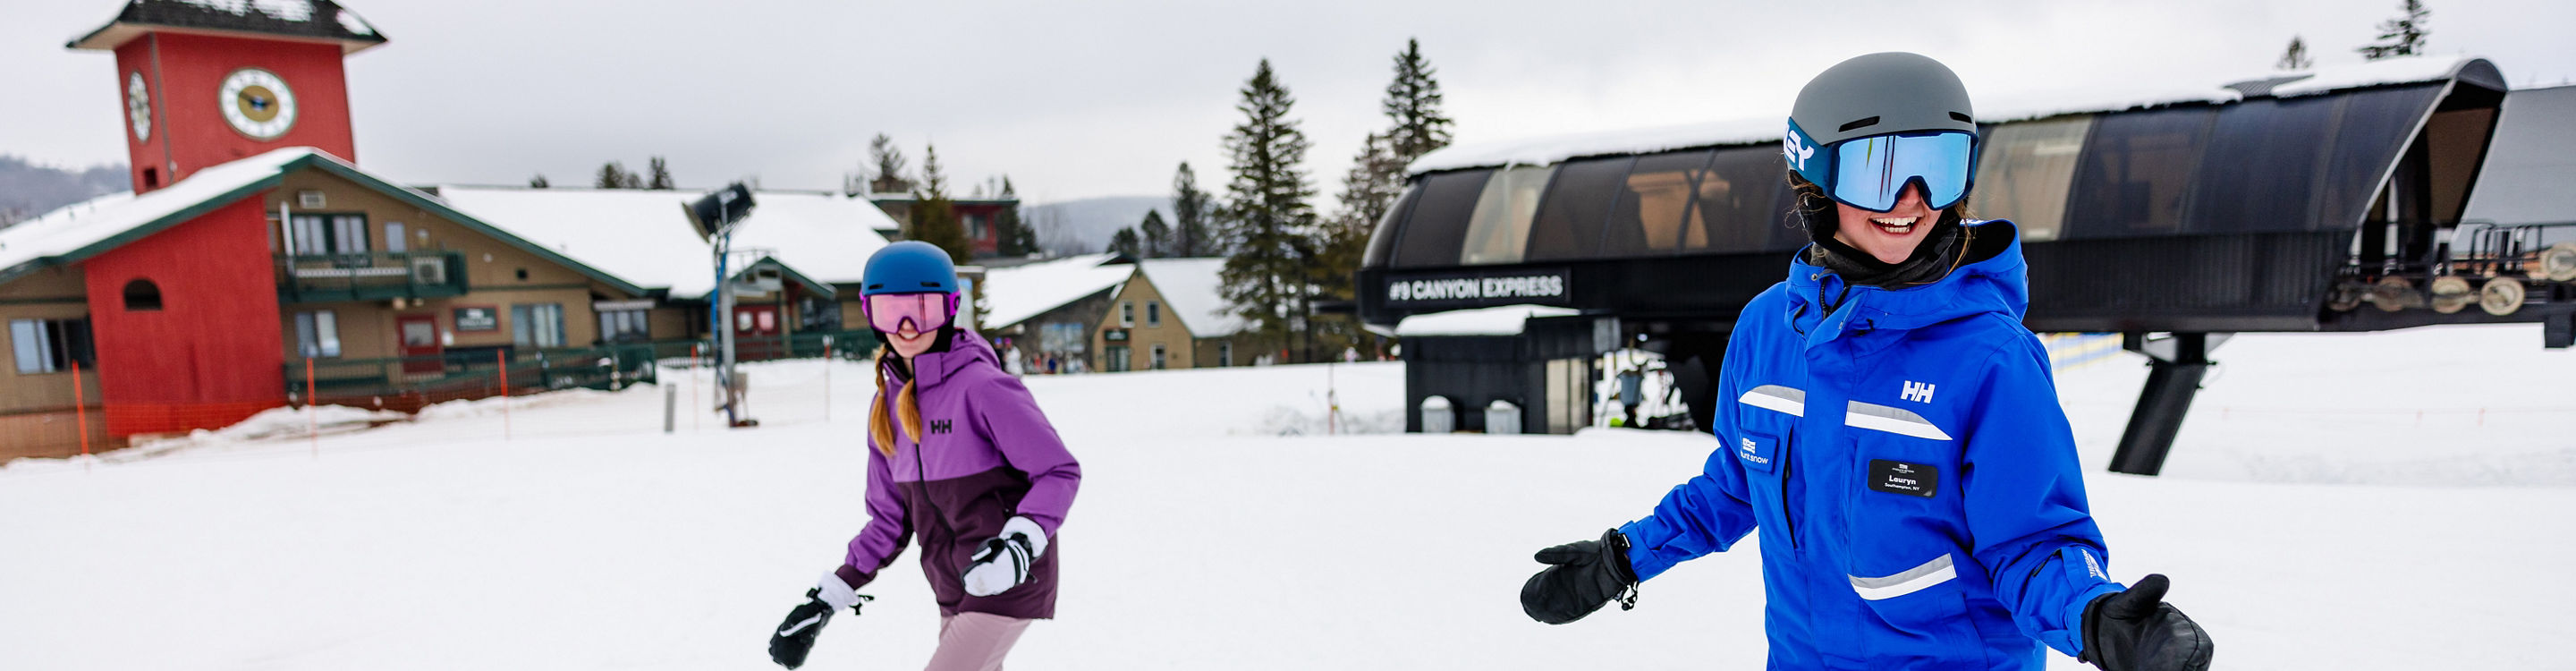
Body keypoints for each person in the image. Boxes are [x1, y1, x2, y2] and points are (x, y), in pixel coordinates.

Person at [1517, 53, 2211, 671]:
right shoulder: (1767, 329)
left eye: (1936, 167)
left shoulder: (1991, 360)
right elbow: (1735, 484)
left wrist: (2096, 617)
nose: (1913, 200)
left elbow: (2031, 543)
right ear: (1815, 182)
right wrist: (1623, 558)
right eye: (1881, 171)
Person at [770, 242, 1083, 671]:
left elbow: (1058, 471)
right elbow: (888, 521)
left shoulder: (983, 387)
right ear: (869, 314)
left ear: (950, 308)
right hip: (954, 586)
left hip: (1007, 578)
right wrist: (829, 597)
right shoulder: (885, 406)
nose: (906, 326)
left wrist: (1018, 544)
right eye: (888, 311)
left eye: (922, 309)